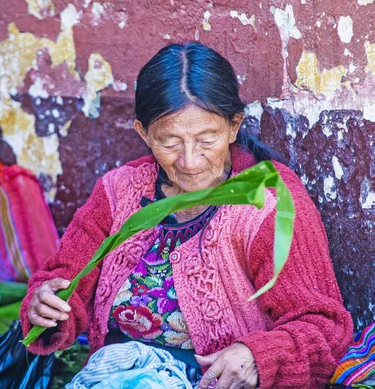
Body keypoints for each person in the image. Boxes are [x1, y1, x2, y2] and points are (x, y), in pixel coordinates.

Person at [20, 42, 353, 388]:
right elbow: (64, 278)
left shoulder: (270, 202)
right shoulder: (119, 192)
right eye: (170, 142)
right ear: (143, 133)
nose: (190, 161)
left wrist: (259, 358)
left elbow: (322, 326)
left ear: (233, 127)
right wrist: (47, 306)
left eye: (207, 139)